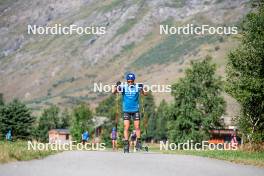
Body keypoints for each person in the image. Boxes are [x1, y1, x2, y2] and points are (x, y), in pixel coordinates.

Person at [113, 72, 147, 153]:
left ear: (134, 80)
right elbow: (113, 92)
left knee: (137, 127)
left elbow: (145, 94)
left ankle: (138, 143)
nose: (130, 82)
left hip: (135, 110)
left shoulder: (137, 87)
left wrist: (142, 89)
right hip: (126, 110)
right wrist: (116, 86)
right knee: (126, 127)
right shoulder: (123, 87)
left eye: (131, 81)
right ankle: (126, 145)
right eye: (129, 81)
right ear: (127, 81)